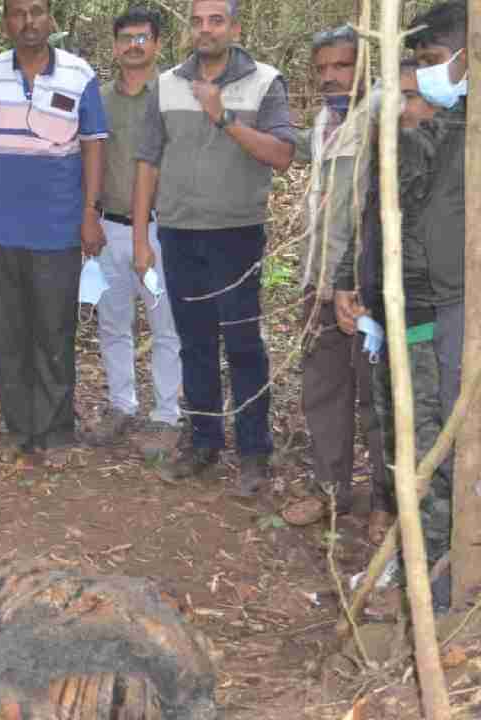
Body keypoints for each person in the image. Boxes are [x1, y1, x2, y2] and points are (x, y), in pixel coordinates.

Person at [131, 0, 295, 494]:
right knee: (195, 341)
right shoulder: (165, 84)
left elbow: (283, 155)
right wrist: (141, 236)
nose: (205, 30)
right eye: (198, 22)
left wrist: (224, 118)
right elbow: (147, 164)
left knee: (244, 345)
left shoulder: (266, 81)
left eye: (215, 20)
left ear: (234, 27)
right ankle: (203, 441)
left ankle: (254, 453)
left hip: (237, 232)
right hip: (179, 232)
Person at [336, 0, 466, 597]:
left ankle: (439, 573)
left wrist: (395, 119)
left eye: (434, 67)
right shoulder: (420, 126)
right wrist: (348, 282)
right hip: (395, 308)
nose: (412, 99)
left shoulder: (457, 128)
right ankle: (414, 554)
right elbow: (372, 214)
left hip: (439, 310)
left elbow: (408, 167)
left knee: (433, 447)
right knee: (399, 438)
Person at [0, 0, 108, 463]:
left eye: (37, 11)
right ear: (6, 23)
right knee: (6, 334)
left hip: (57, 227)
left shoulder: (80, 75)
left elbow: (93, 149)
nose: (28, 22)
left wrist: (89, 213)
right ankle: (18, 428)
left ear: (51, 19)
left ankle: (57, 431)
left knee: (54, 330)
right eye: (18, 13)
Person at [280, 25, 388, 531]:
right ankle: (331, 490)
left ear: (365, 65)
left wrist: (369, 285)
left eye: (341, 66)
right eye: (322, 69)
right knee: (324, 392)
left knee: (378, 397)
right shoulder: (326, 121)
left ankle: (386, 503)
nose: (331, 77)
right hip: (320, 283)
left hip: (370, 290)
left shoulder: (385, 117)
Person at [84, 7, 183, 459]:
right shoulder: (98, 99)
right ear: (114, 45)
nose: (134, 45)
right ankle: (122, 405)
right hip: (109, 226)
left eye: (143, 37)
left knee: (166, 325)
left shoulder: (176, 96)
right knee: (113, 323)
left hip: (164, 230)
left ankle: (166, 415)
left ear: (158, 44)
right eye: (125, 38)